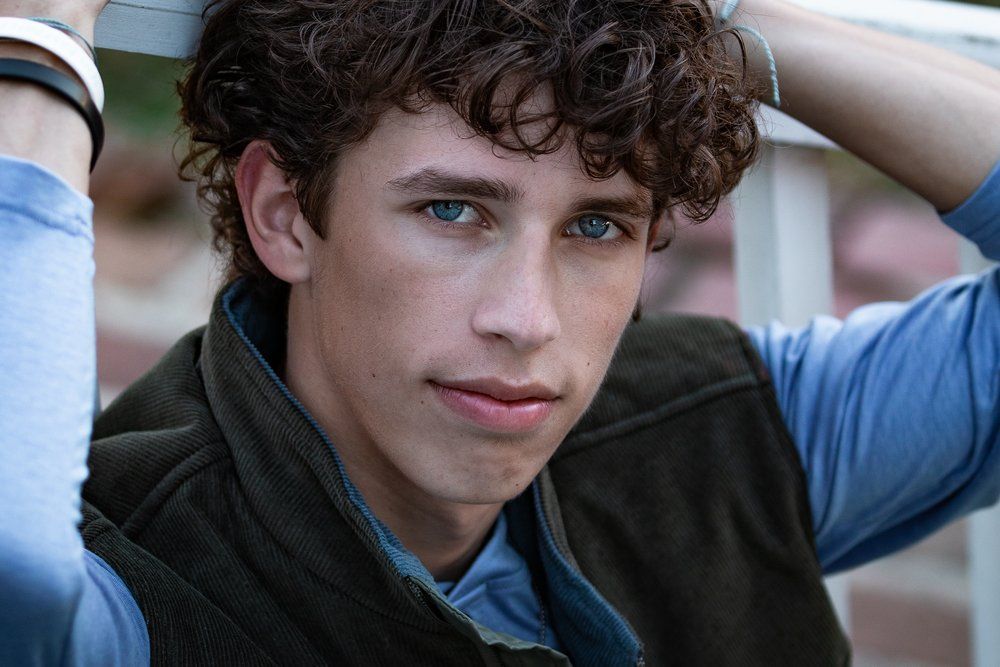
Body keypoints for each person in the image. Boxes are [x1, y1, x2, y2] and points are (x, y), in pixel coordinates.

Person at [1, 0, 998, 664]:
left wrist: (736, 27)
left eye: (595, 225)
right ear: (287, 214)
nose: (526, 319)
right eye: (451, 211)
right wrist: (39, 42)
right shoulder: (142, 582)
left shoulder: (723, 427)